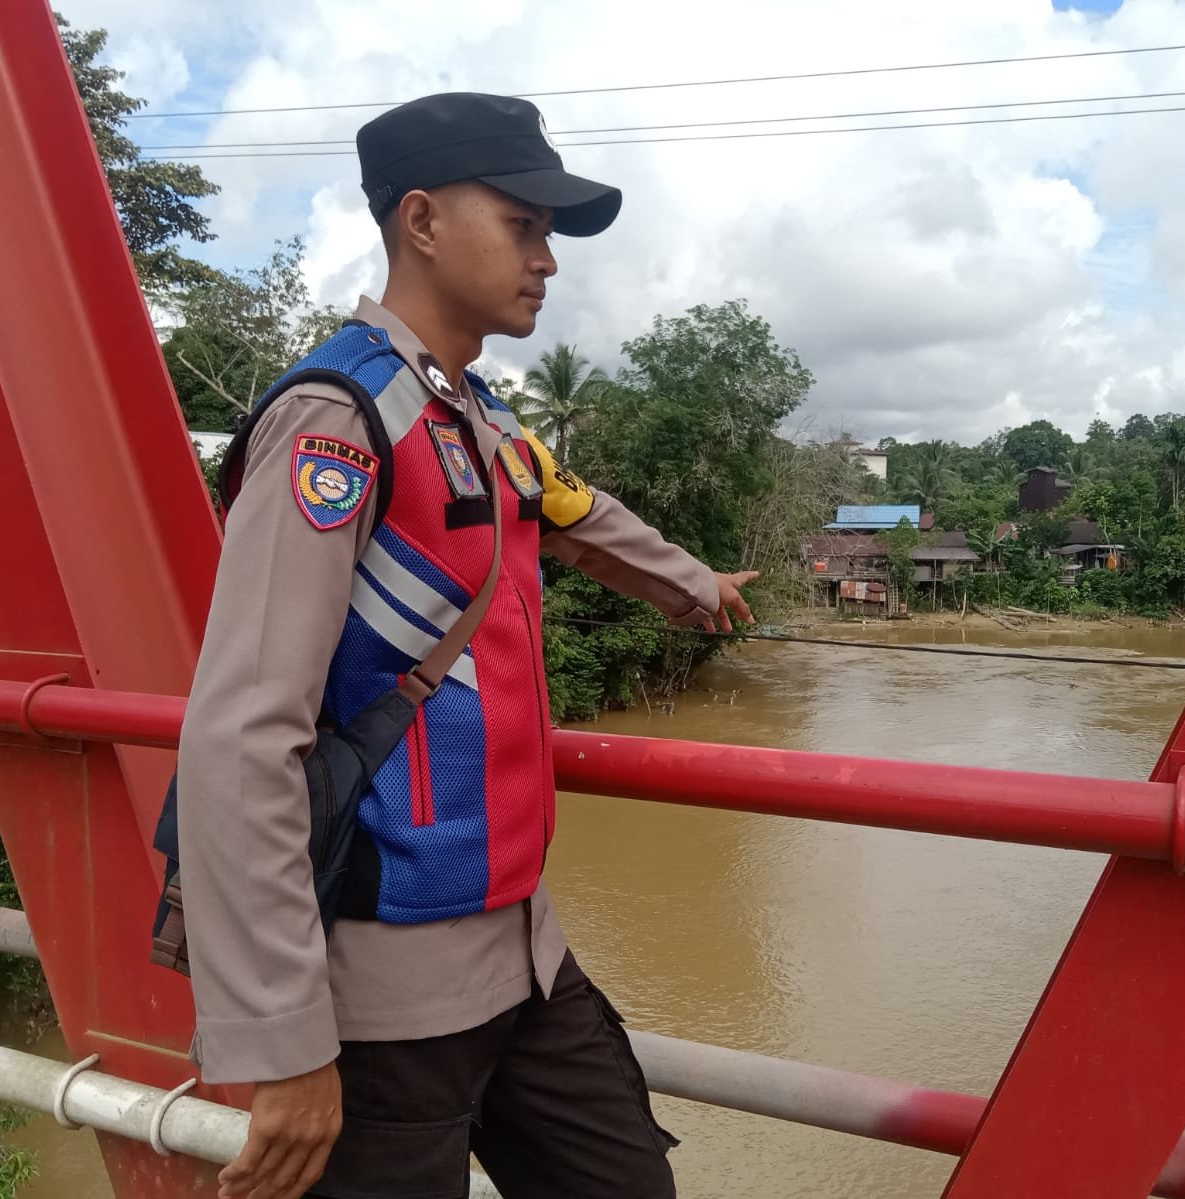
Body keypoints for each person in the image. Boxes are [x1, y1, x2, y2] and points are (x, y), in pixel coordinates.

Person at [176, 91, 757, 1199]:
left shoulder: (478, 418)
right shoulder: (339, 419)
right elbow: (243, 733)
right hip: (388, 985)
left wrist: (699, 590)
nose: (547, 258)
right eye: (524, 224)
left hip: (524, 951)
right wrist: (286, 1040)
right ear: (424, 220)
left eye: (549, 233)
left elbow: (580, 514)